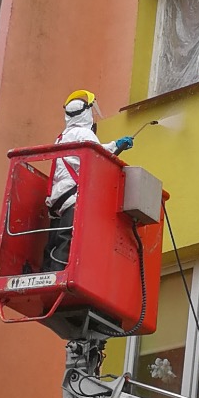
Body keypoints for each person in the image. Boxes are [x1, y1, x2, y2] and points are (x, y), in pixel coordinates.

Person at [47, 91, 132, 268]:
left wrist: (116, 144)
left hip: (58, 198)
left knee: (54, 241)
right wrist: (118, 146)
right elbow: (98, 156)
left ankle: (47, 271)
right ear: (86, 113)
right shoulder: (84, 133)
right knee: (68, 240)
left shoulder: (62, 136)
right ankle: (59, 274)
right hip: (73, 196)